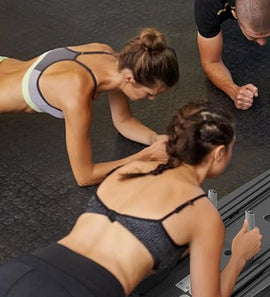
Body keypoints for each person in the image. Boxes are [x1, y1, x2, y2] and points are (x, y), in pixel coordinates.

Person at [0, 101, 262, 297]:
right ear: (218, 153)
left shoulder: (133, 168)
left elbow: (134, 233)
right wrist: (239, 255)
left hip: (22, 273)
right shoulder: (202, 214)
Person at [0, 28, 179, 186]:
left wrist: (155, 140)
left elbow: (123, 121)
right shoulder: (75, 94)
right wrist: (146, 156)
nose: (153, 99)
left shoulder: (110, 57)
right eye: (150, 93)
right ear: (130, 80)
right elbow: (84, 176)